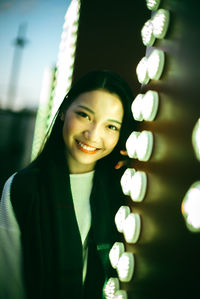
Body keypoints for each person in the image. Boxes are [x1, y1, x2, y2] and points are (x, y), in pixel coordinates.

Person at [0, 70, 136, 299]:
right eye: (84, 115)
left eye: (111, 126)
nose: (93, 135)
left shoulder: (122, 188)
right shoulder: (23, 188)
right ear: (64, 111)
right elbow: (8, 286)